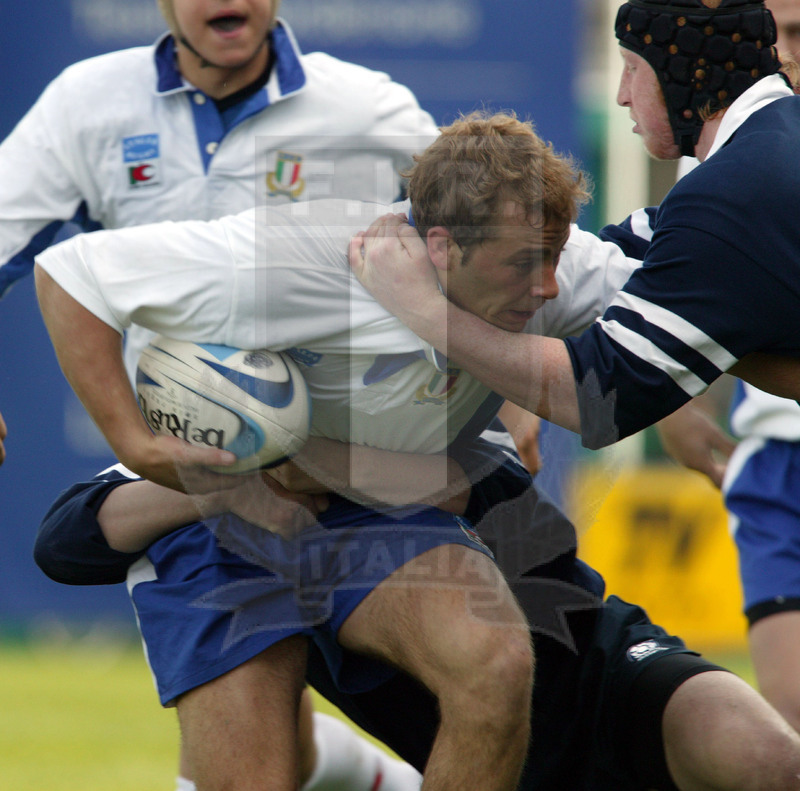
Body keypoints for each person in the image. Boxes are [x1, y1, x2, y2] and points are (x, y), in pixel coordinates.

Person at [32, 110, 800, 790]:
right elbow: (70, 275)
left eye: (551, 257)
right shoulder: (296, 263)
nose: (543, 288)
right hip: (221, 523)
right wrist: (140, 444)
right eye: (518, 262)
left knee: (495, 663)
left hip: (374, 512)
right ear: (440, 244)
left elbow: (725, 322)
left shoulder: (558, 273)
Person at [0, 0, 439, 787]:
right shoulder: (87, 102)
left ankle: (356, 769)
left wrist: (510, 399)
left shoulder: (370, 109)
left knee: (502, 711)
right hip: (196, 472)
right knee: (247, 773)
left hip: (355, 471)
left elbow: (487, 246)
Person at [346, 0, 800, 452]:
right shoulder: (770, 152)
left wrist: (426, 312)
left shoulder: (734, 193)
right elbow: (616, 267)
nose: (622, 94)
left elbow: (600, 397)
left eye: (632, 68)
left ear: (686, 72)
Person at [645, 0, 800, 736]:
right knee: (789, 732)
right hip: (777, 466)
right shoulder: (744, 161)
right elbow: (686, 288)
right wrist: (671, 401)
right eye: (781, 36)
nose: (787, 55)